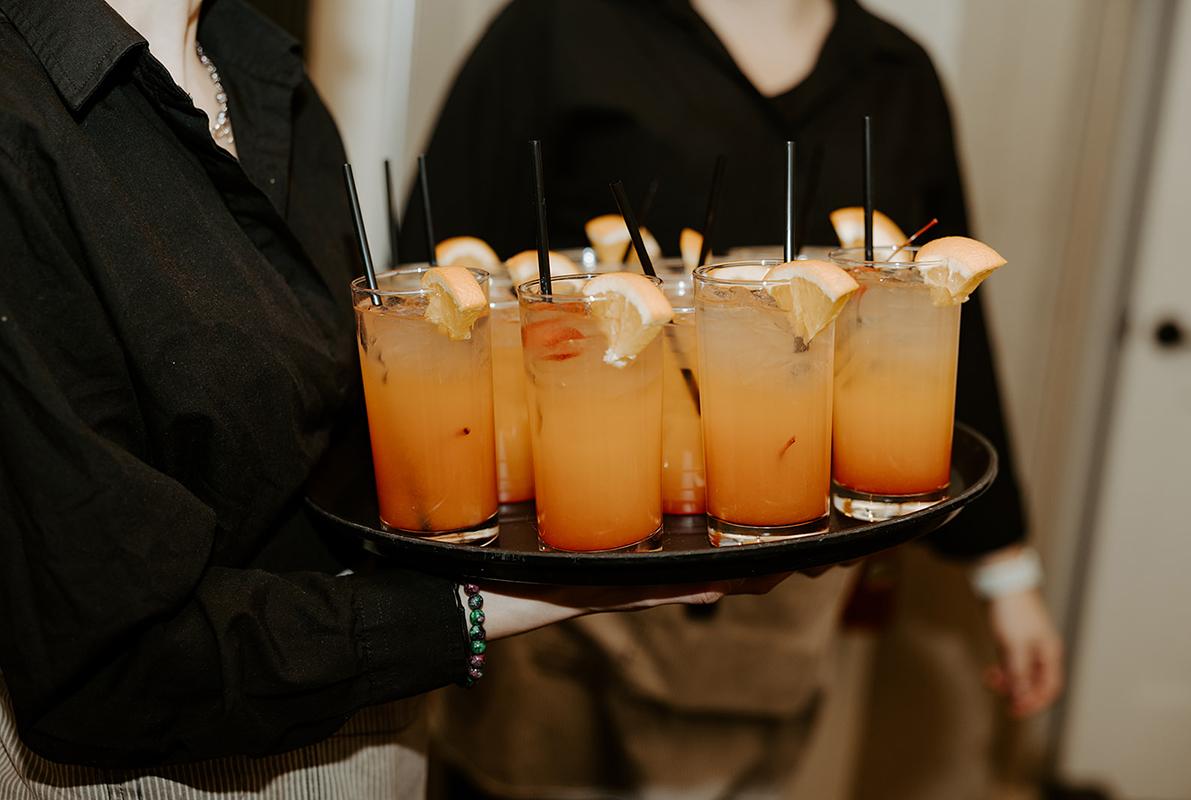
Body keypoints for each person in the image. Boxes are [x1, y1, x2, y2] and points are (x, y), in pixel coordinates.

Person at [0, 1, 787, 797]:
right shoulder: (18, 113)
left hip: (383, 742)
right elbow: (107, 667)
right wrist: (491, 603)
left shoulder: (266, 77)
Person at [399, 0, 1062, 796]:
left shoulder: (896, 71)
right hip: (571, 569)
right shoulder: (554, 29)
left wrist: (1005, 571)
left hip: (778, 571)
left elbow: (946, 310)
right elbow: (431, 295)